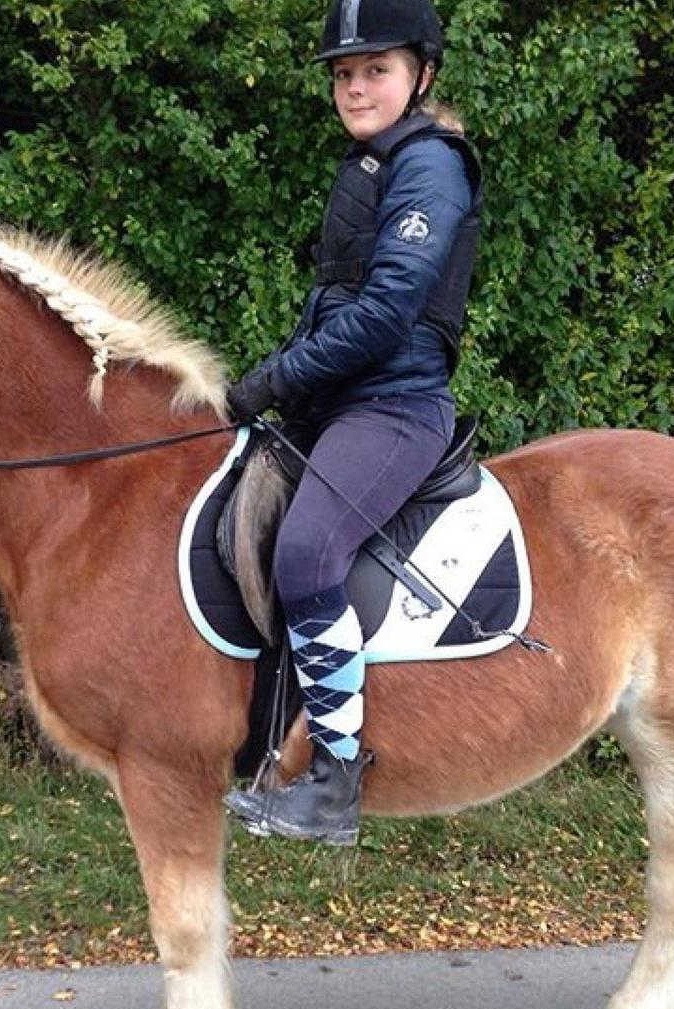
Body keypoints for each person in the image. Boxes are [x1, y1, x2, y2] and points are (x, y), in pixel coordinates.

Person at [223, 0, 483, 846]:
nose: (356, 86)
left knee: (306, 551)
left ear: (421, 75)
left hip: (396, 407)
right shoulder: (371, 163)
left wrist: (270, 380)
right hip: (339, 405)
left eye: (376, 69)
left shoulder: (430, 166)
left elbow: (385, 315)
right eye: (344, 73)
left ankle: (334, 781)